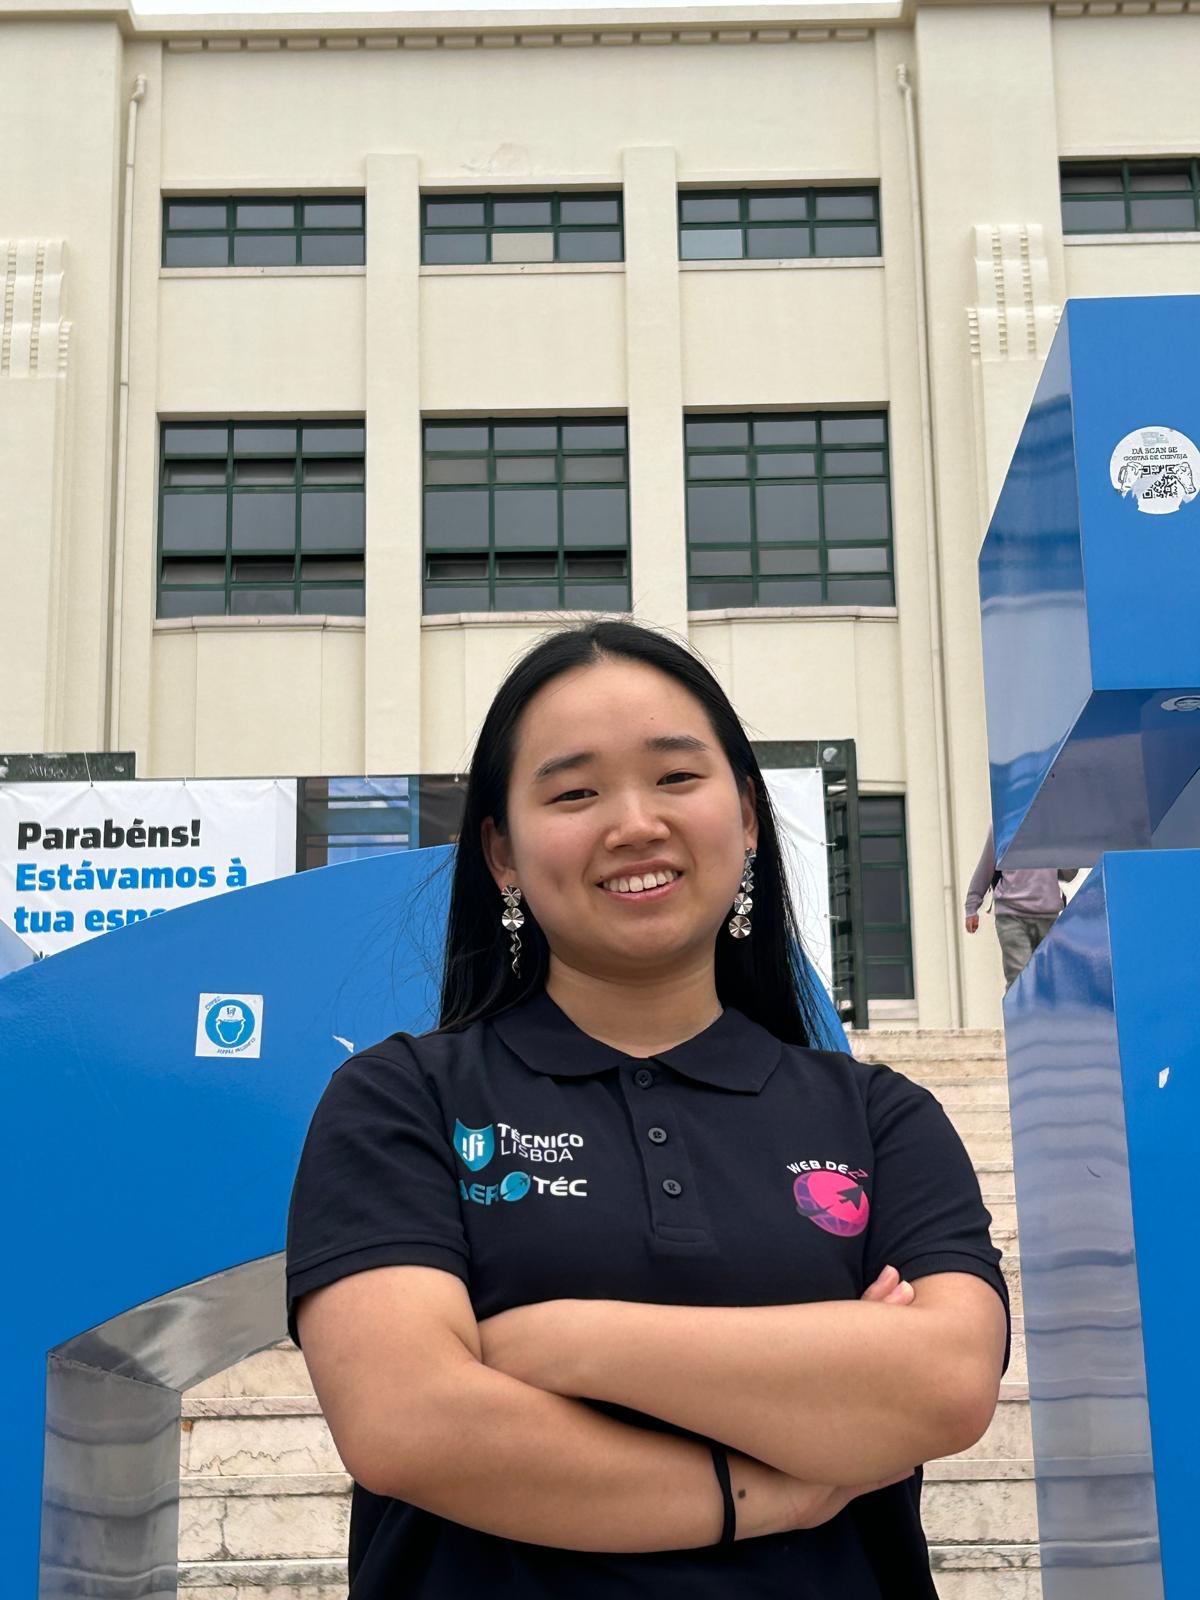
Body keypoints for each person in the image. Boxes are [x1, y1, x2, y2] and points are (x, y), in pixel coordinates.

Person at [286, 619, 1009, 1599]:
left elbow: (946, 1381)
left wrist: (554, 1342)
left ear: (746, 817)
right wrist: (762, 1487)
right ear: (501, 852)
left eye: (675, 777)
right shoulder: (400, 1099)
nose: (634, 823)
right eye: (574, 792)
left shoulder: (879, 1117)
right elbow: (410, 1424)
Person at [964, 826, 1078, 989]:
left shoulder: (1051, 823)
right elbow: (986, 865)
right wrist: (972, 905)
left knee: (1048, 981)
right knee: (1020, 979)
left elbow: (1068, 873)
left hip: (1048, 915)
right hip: (1012, 914)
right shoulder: (1003, 824)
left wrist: (1068, 846)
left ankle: (1036, 1006)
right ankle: (1020, 1005)